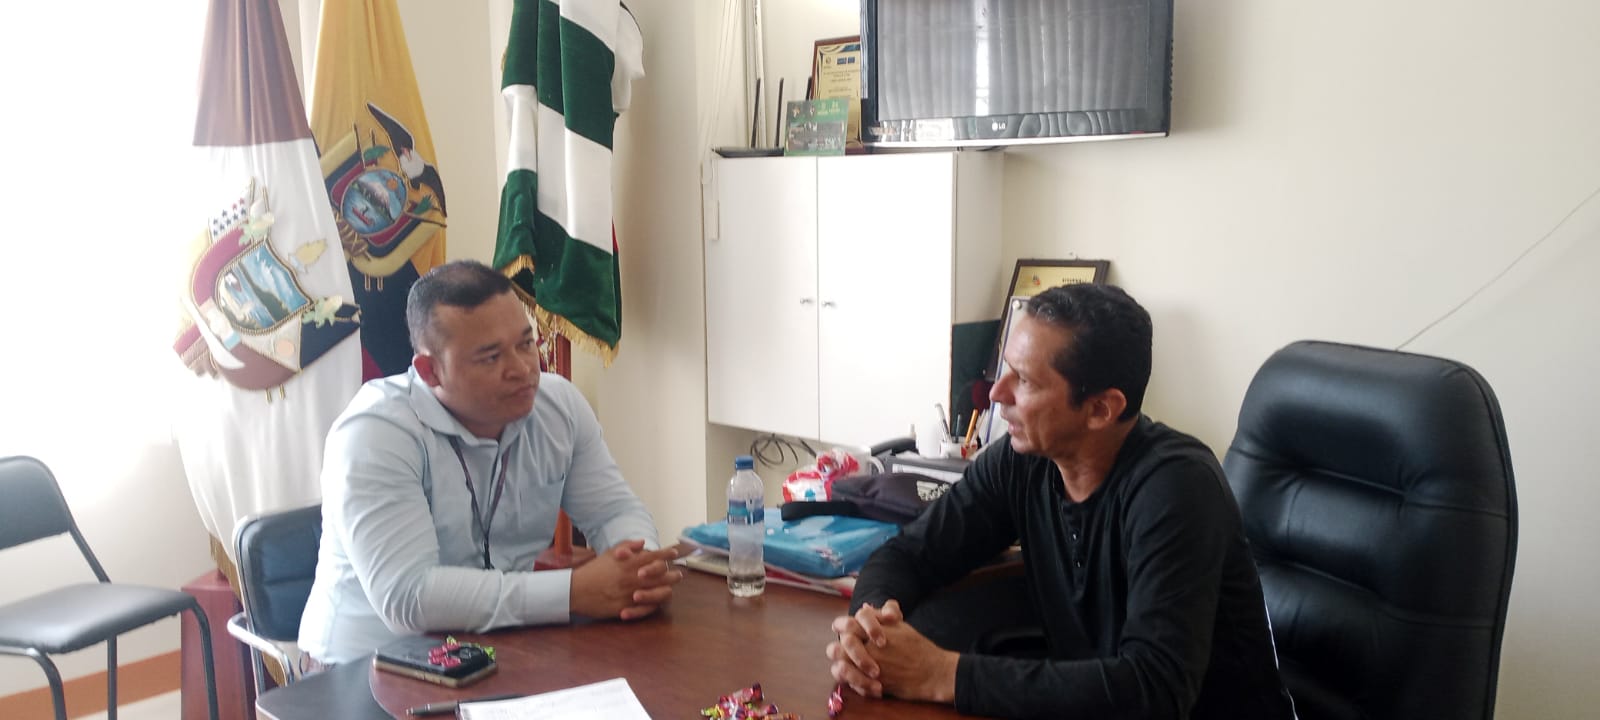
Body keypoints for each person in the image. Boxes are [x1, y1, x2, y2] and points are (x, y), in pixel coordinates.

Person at [825, 283, 1296, 719]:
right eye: (1006, 369)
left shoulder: (1177, 488)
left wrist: (942, 675)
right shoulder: (1022, 460)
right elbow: (910, 554)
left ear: (1100, 409)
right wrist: (872, 630)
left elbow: (1156, 689)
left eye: (1025, 381)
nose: (996, 394)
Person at [300, 260, 680, 665]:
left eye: (525, 344)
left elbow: (614, 511)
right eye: (490, 357)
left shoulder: (558, 407)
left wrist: (637, 571)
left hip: (499, 649)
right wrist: (573, 593)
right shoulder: (375, 432)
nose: (522, 369)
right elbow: (409, 598)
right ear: (430, 371)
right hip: (364, 667)